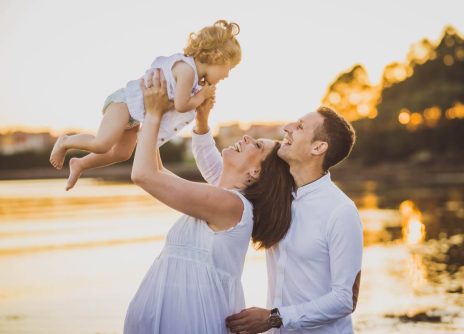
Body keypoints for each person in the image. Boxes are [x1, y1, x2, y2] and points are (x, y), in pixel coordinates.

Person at [124, 69, 295, 333]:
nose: (247, 138)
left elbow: (143, 175)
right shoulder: (223, 199)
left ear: (255, 173)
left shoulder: (232, 206)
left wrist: (154, 113)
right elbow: (157, 172)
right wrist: (171, 116)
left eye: (257, 146)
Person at [194, 106, 363, 333]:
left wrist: (274, 318)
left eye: (300, 126)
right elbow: (222, 176)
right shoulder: (276, 196)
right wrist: (202, 120)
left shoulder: (341, 211)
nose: (287, 127)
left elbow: (344, 300)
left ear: (318, 147)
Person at [49, 20, 241, 191]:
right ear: (217, 58)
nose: (227, 75)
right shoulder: (187, 70)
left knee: (122, 153)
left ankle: (80, 164)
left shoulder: (193, 77)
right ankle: (65, 141)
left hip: (135, 117)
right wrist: (202, 95)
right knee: (102, 144)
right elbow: (182, 105)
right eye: (228, 69)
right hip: (124, 103)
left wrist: (201, 98)